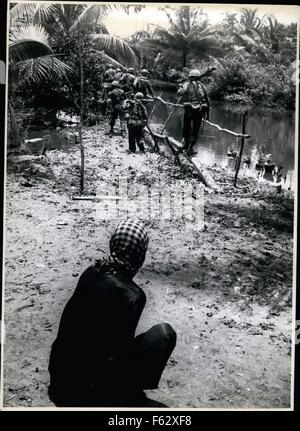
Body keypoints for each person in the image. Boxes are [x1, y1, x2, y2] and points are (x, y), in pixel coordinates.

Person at [48, 219, 177, 407]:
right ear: (140, 254)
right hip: (88, 390)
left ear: (113, 245)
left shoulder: (92, 270)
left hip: (60, 376)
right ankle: (121, 397)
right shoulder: (133, 295)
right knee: (164, 334)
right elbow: (118, 352)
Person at [177, 69, 210, 156]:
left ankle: (185, 145)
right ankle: (190, 148)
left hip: (189, 109)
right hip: (199, 110)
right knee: (195, 129)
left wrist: (180, 86)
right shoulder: (202, 86)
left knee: (186, 127)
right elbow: (207, 100)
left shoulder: (186, 84)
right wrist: (208, 114)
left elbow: (179, 93)